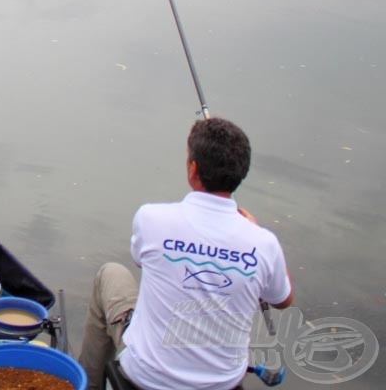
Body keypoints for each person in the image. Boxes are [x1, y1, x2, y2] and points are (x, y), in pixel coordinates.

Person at [79, 117, 294, 390]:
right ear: (241, 172)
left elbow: (141, 260)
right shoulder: (264, 244)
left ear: (193, 169)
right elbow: (283, 299)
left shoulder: (151, 219)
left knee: (111, 273)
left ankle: (86, 384)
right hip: (223, 385)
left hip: (146, 379)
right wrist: (255, 231)